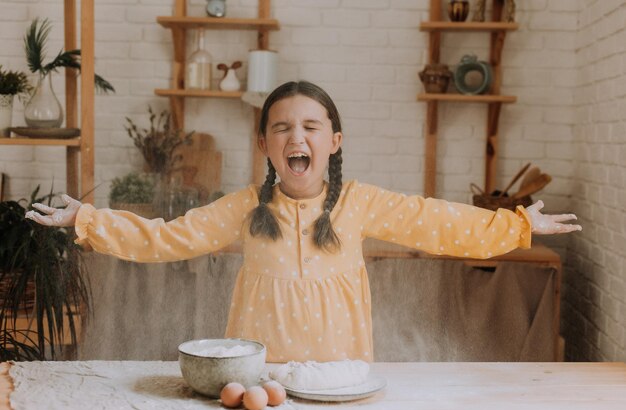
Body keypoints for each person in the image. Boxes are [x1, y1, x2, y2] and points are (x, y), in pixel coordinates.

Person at [26, 81, 581, 363]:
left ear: (334, 142)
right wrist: (89, 218)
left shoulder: (360, 203)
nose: (298, 138)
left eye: (312, 127)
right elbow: (169, 237)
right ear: (265, 144)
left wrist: (516, 225)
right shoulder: (245, 207)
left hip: (341, 378)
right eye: (283, 128)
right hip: (258, 380)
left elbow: (436, 222)